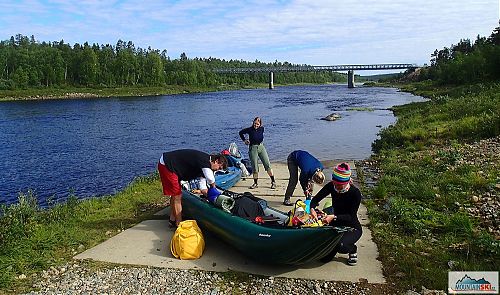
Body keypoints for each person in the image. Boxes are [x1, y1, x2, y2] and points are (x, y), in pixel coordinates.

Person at [157, 149, 228, 228]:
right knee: (177, 196)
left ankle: (172, 219)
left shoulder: (204, 167)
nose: (216, 170)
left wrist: (213, 198)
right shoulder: (205, 160)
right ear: (216, 161)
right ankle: (179, 225)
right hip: (167, 164)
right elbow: (210, 179)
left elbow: (202, 187)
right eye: (218, 168)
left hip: (176, 167)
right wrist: (213, 188)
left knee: (175, 195)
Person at [309, 162, 362, 266]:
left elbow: (351, 216)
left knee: (341, 246)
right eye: (335, 183)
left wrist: (333, 216)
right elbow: (315, 199)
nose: (336, 187)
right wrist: (312, 209)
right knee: (324, 259)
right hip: (336, 223)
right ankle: (333, 247)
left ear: (347, 182)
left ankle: (352, 249)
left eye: (339, 185)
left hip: (351, 226)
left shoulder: (355, 193)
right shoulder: (332, 186)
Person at [239, 117, 276, 189]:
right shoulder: (249, 129)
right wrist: (245, 140)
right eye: (255, 123)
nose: (256, 125)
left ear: (260, 124)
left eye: (257, 124)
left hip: (261, 147)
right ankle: (255, 183)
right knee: (255, 167)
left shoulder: (262, 129)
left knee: (267, 164)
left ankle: (273, 182)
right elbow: (240, 133)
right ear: (253, 122)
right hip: (253, 148)